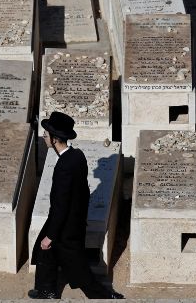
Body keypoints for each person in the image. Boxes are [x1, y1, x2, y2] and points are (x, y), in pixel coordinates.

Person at [28, 111, 124, 299]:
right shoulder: (76, 155)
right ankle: (45, 290)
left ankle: (104, 296)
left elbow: (61, 204)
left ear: (55, 139)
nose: (44, 138)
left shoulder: (64, 165)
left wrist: (52, 235)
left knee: (76, 267)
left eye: (46, 135)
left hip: (66, 226)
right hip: (72, 220)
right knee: (44, 251)